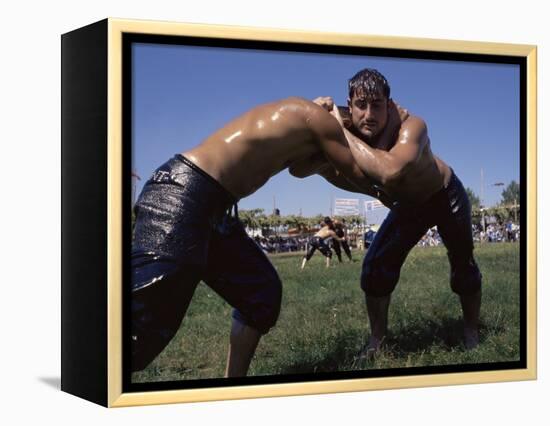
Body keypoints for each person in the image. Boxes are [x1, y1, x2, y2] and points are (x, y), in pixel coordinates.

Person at [131, 96, 385, 376]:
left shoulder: (306, 131)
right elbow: (355, 169)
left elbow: (306, 171)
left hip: (214, 207)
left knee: (260, 293)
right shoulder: (319, 116)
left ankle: (233, 387)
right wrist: (393, 194)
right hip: (183, 193)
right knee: (141, 328)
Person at [316, 68, 482, 354]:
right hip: (410, 204)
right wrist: (316, 114)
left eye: (377, 105)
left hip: (444, 195)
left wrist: (337, 130)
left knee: (463, 267)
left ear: (390, 105)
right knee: (374, 268)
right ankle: (377, 340)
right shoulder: (351, 130)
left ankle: (471, 329)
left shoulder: (412, 126)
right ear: (349, 104)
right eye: (361, 105)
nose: (369, 114)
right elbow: (302, 165)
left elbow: (390, 171)